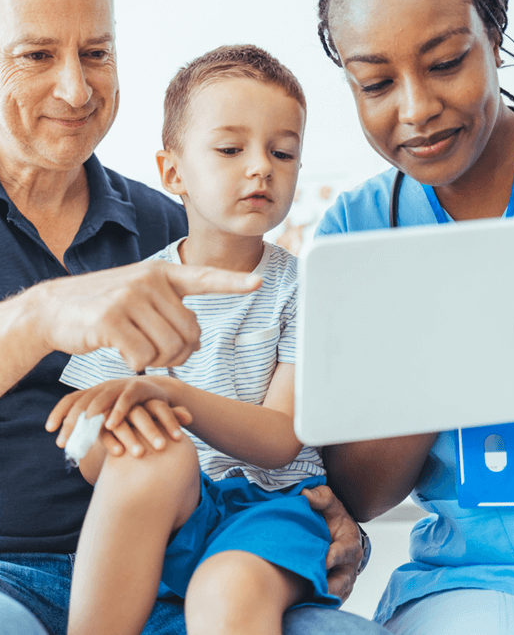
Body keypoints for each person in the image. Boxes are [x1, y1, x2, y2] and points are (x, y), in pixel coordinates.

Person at [0, 0, 372, 635]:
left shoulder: (177, 229)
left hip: (180, 562)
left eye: (96, 53)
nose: (75, 86)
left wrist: (336, 517)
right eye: (37, 54)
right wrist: (39, 315)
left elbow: (272, 426)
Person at [46, 44, 376, 635]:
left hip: (275, 511)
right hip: (176, 511)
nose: (261, 167)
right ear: (173, 172)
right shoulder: (127, 292)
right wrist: (108, 431)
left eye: (283, 152)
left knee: (225, 592)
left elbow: (280, 441)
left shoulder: (305, 288)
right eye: (230, 149)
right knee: (151, 456)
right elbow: (92, 456)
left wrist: (169, 401)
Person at [314, 0, 514, 633]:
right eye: (375, 82)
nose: (414, 109)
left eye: (445, 63)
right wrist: (448, 351)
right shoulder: (356, 233)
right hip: (464, 584)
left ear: (494, 38)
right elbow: (360, 492)